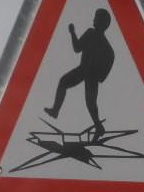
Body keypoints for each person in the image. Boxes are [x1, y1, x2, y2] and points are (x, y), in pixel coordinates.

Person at [45, 8, 115, 137]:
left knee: (90, 102)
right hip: (84, 70)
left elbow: (78, 48)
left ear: (101, 22)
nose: (93, 20)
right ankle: (55, 110)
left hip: (90, 74)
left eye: (96, 18)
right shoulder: (96, 38)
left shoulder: (94, 36)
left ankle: (98, 127)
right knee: (64, 83)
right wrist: (102, 76)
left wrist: (72, 32)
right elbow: (80, 49)